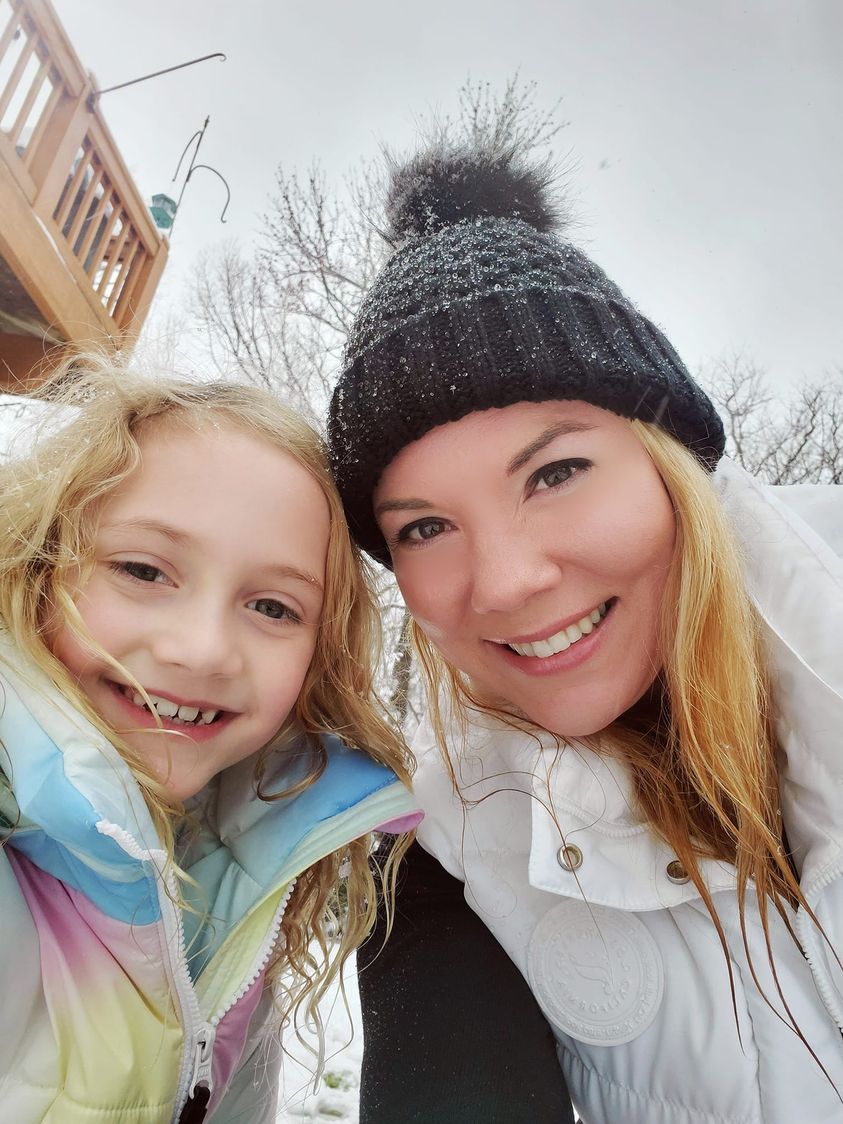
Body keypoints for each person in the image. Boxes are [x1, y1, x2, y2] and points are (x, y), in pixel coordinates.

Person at [329, 142, 843, 1124]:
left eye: (555, 472)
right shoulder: (442, 845)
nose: (505, 582)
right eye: (425, 527)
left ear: (666, 460)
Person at [0, 360, 420, 1123]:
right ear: (38, 568)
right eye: (143, 570)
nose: (202, 650)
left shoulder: (235, 874)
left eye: (272, 606)